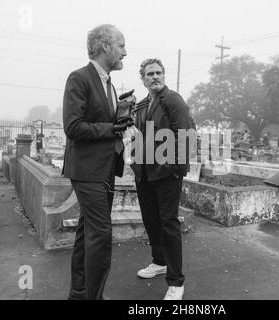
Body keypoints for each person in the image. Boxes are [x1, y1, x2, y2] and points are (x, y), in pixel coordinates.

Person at [62, 24, 133, 300]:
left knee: (86, 233)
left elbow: (106, 123)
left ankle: (79, 294)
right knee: (101, 236)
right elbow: (74, 127)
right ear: (104, 46)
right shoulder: (79, 78)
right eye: (121, 45)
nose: (125, 52)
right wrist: (113, 129)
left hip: (105, 168)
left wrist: (124, 118)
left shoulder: (110, 85)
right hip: (87, 171)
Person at [130, 58, 191, 300]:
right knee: (151, 220)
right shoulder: (143, 104)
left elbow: (184, 134)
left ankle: (176, 281)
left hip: (167, 174)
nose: (154, 77)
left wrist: (175, 168)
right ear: (143, 79)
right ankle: (159, 262)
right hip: (145, 172)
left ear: (163, 76)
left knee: (168, 223)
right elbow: (139, 135)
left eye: (158, 73)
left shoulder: (173, 99)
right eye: (149, 74)